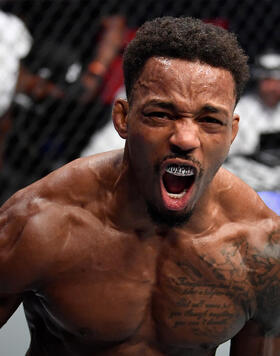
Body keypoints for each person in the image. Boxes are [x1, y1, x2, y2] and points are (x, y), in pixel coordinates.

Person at [0, 16, 280, 356]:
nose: (185, 139)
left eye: (209, 120)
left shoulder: (261, 244)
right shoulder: (40, 222)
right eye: (161, 114)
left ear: (232, 132)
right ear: (123, 118)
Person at [225, 49, 280, 191]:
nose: (273, 87)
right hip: (249, 168)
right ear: (259, 80)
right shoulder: (242, 108)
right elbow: (232, 155)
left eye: (277, 81)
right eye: (268, 80)